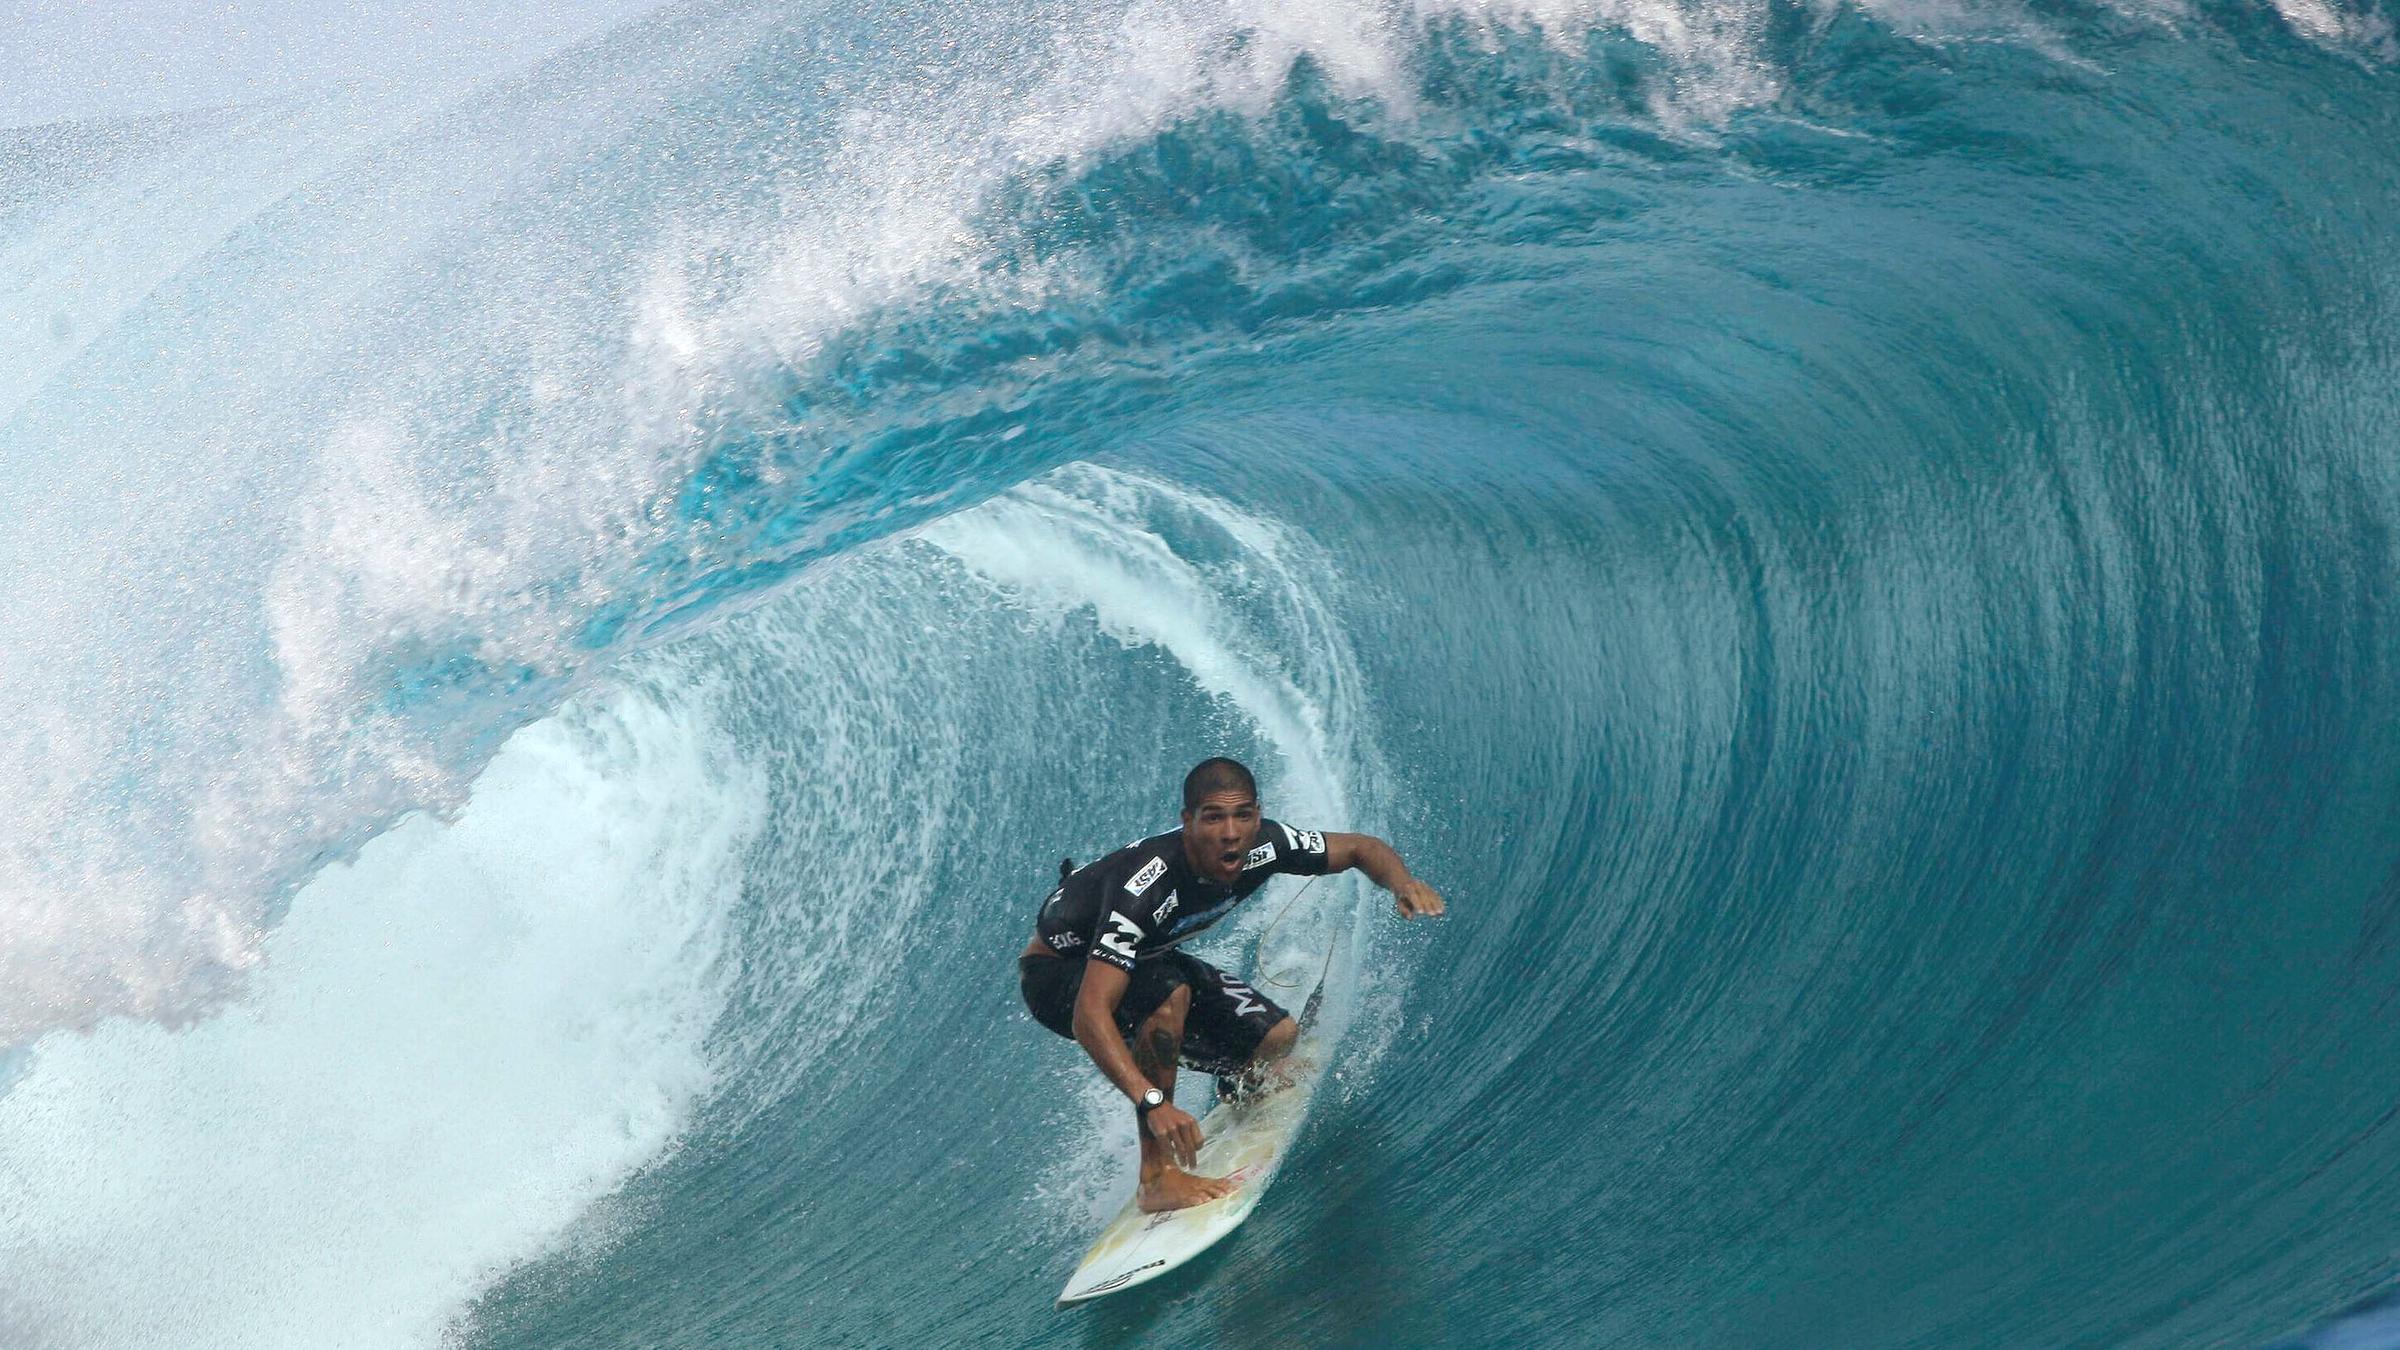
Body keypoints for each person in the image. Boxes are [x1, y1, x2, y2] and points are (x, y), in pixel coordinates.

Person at [1018, 756, 1445, 1212]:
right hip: (1057, 976)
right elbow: (1089, 1016)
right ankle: (1156, 1178)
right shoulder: (1145, 888)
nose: (1230, 833)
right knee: (1169, 996)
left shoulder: (1268, 845)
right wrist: (1153, 1101)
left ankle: (1238, 1082)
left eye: (1243, 815)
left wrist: (1402, 884)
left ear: (1258, 816)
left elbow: (1361, 848)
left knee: (1278, 1038)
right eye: (1213, 817)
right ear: (1187, 821)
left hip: (1146, 959)